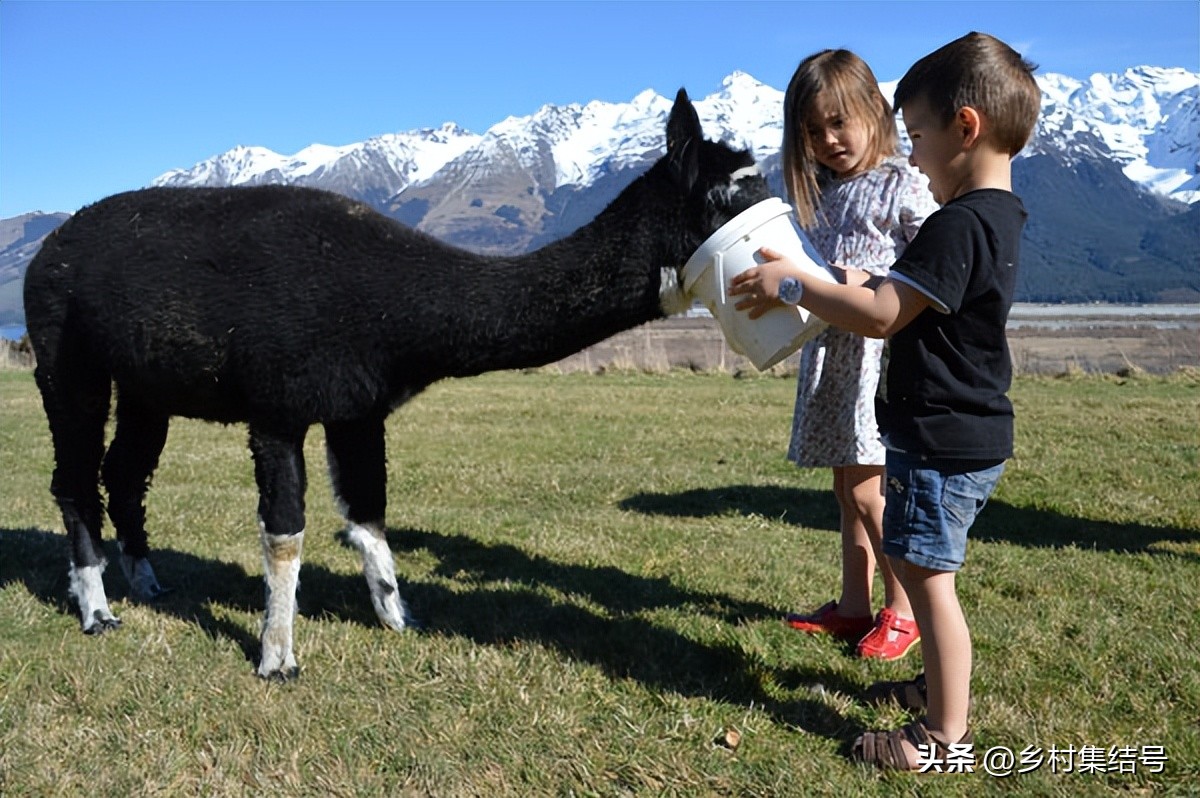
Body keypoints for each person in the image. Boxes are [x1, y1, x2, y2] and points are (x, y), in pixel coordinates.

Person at [730, 31, 1040, 770]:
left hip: (942, 434)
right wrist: (830, 275)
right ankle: (934, 686)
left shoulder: (955, 224)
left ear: (964, 128)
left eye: (920, 135)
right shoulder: (995, 215)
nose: (916, 154)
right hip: (953, 428)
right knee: (913, 556)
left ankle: (942, 737)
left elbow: (879, 314)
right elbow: (888, 287)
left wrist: (794, 284)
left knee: (929, 583)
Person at [775, 49, 938, 662]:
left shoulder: (903, 181)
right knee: (848, 490)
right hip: (836, 355)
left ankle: (904, 609)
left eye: (839, 122)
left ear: (874, 109)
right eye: (813, 130)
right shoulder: (826, 194)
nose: (828, 140)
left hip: (877, 359)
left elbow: (932, 262)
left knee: (871, 493)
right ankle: (853, 604)